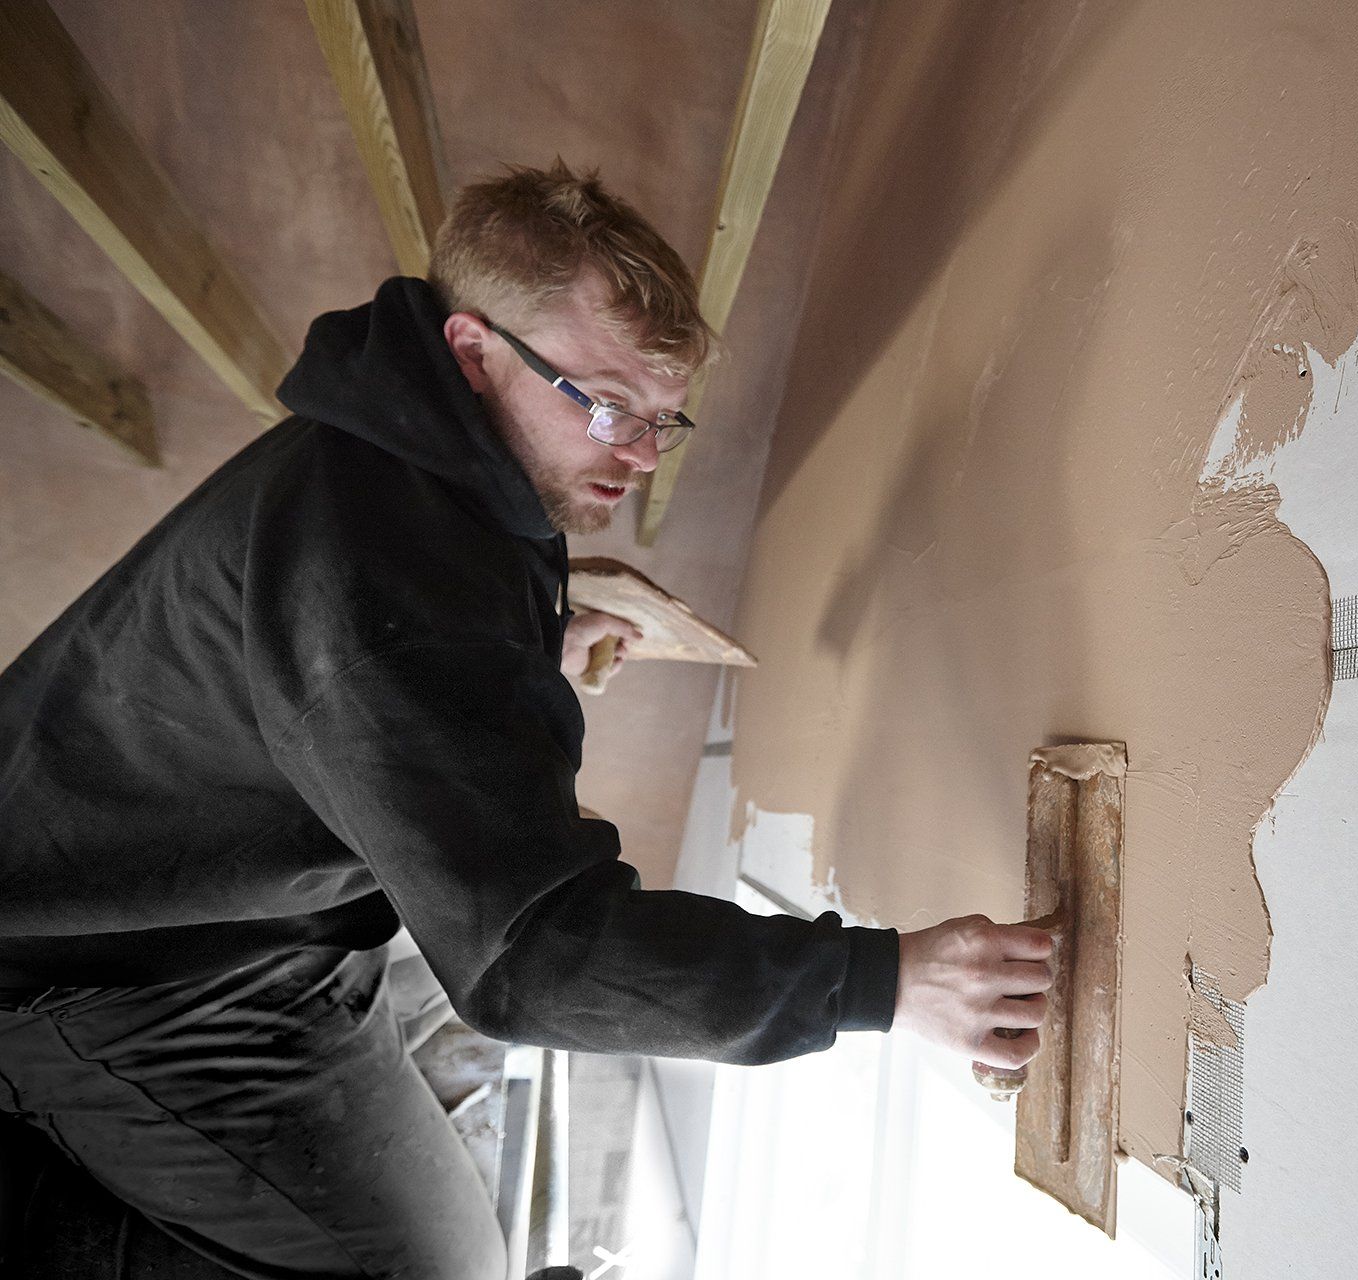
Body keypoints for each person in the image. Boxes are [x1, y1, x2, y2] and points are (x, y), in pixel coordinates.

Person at [0, 160, 1054, 1279]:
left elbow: (361, 667)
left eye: (662, 417)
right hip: (105, 963)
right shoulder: (377, 572)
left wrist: (526, 639)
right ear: (472, 349)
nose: (642, 455)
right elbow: (534, 957)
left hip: (207, 889)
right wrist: (884, 981)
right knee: (438, 1267)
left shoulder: (421, 454)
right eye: (606, 406)